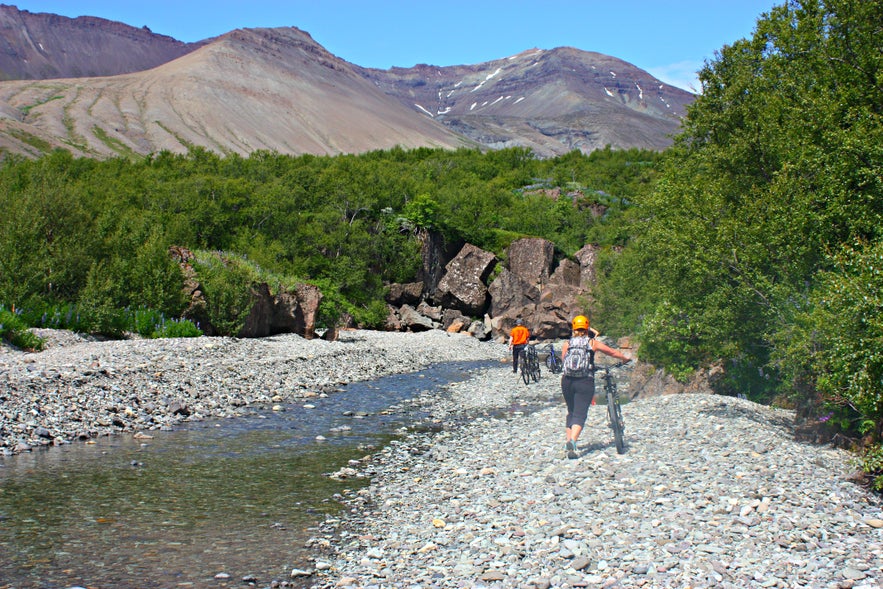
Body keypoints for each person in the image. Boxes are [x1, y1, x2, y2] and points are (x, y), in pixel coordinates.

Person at [560, 315, 630, 459]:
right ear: (587, 328)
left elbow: (563, 360)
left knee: (571, 411)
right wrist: (624, 358)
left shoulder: (568, 343)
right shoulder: (592, 343)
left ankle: (569, 443)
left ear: (573, 328)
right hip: (584, 381)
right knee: (580, 413)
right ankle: (573, 441)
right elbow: (612, 352)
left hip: (567, 381)